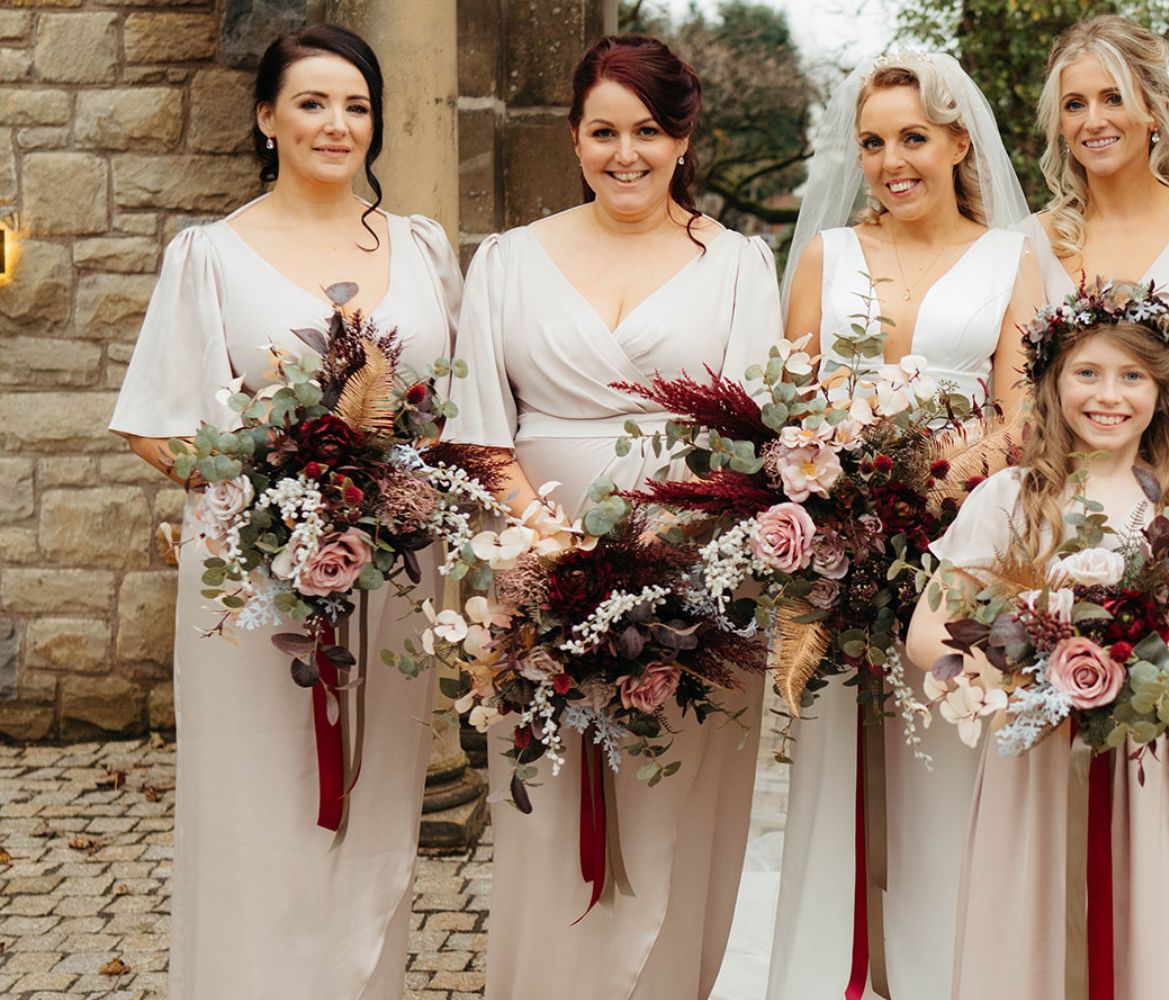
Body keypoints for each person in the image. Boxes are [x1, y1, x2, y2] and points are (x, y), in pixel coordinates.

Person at [109, 24, 457, 999]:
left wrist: (397, 487)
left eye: (356, 105)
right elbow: (154, 429)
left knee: (372, 813)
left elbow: (456, 411)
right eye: (312, 103)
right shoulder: (210, 254)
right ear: (267, 117)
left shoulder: (421, 247)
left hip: (394, 570)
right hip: (256, 576)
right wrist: (275, 484)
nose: (336, 124)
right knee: (262, 813)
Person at [441, 34, 782, 1000]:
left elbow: (755, 438)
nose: (624, 153)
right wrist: (556, 553)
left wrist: (664, 561)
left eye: (647, 131)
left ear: (683, 138)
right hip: (537, 573)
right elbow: (478, 432)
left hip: (700, 582)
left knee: (679, 808)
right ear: (574, 138)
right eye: (603, 132)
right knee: (550, 806)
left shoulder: (739, 264)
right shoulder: (507, 261)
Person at [905, 283, 1169, 999]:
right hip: (1034, 761)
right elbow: (927, 632)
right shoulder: (1009, 499)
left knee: (1149, 934)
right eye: (1087, 372)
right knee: (1028, 929)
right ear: (1052, 384)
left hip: (1150, 761)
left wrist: (1163, 681)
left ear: (1162, 393)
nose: (1109, 396)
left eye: (1132, 375)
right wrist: (1028, 666)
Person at [766, 51, 1044, 1000]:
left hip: (960, 545)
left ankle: (945, 974)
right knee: (838, 763)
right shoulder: (826, 256)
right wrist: (838, 502)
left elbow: (1022, 413)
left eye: (914, 138)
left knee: (948, 761)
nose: (893, 162)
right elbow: (789, 403)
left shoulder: (1012, 259)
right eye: (874, 142)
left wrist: (941, 489)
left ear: (960, 143)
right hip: (841, 547)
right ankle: (832, 973)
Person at [1021, 14, 1169, 439]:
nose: (1093, 121)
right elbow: (1017, 402)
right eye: (1075, 104)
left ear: (1154, 110)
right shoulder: (1028, 243)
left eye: (1113, 98)